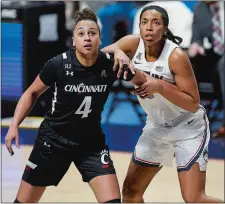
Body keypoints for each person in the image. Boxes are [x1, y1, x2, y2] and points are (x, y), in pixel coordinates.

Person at [4, 8, 146, 203]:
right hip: (53, 141)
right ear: (73, 41)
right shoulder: (57, 65)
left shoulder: (111, 64)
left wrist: (122, 54)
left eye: (92, 33)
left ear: (100, 39)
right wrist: (13, 126)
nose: (87, 38)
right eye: (81, 33)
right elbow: (31, 92)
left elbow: (144, 81)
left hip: (91, 143)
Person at [102, 5, 224, 203]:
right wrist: (117, 51)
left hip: (188, 127)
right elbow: (99, 56)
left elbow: (193, 103)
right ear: (139, 27)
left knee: (194, 198)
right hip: (157, 126)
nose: (149, 28)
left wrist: (159, 86)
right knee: (131, 194)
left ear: (165, 28)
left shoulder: (176, 56)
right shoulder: (132, 43)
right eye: (144, 22)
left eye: (156, 23)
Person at [188, 1, 225, 138]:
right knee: (186, 63)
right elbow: (196, 38)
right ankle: (187, 124)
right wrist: (195, 45)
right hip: (215, 58)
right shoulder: (200, 8)